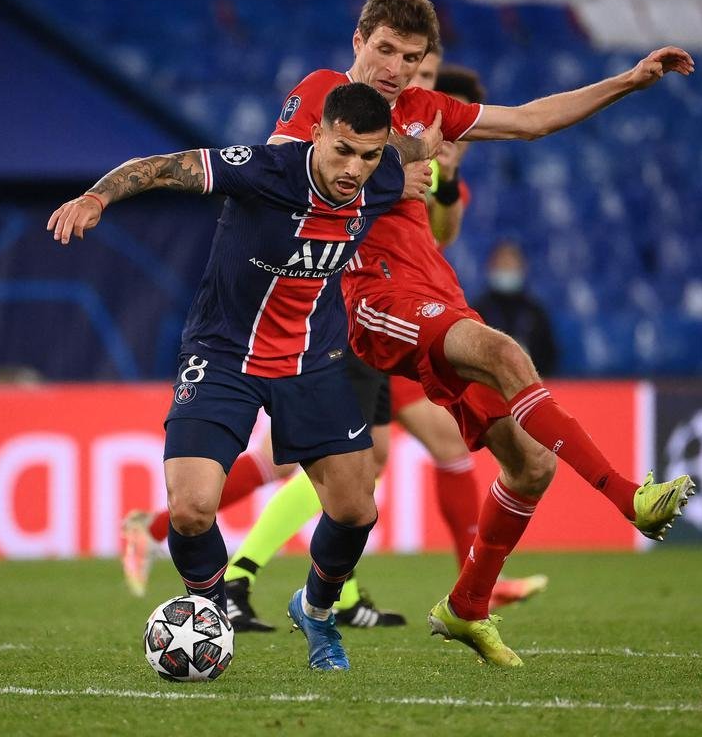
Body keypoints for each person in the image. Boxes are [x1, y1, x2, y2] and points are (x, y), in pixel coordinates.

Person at [269, 0, 697, 667]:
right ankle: (628, 496)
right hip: (374, 296)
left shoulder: (424, 110)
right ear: (358, 42)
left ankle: (466, 606)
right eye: (384, 50)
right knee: (498, 353)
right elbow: (280, 181)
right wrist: (395, 170)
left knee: (531, 466)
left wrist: (629, 80)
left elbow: (529, 120)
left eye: (411, 57)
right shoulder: (322, 95)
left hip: (439, 295)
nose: (396, 68)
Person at [48, 82, 439, 671]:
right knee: (190, 509)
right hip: (224, 352)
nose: (354, 169)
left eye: (368, 155)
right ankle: (208, 613)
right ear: (317, 134)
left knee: (357, 509)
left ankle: (317, 611)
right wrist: (97, 199)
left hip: (314, 359)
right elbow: (157, 168)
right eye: (342, 150)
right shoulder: (264, 169)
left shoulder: (383, 170)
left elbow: (415, 148)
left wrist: (427, 146)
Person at [216, 59, 546, 634]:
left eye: (424, 69)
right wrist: (393, 163)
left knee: (370, 459)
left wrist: (439, 175)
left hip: (398, 309)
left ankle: (332, 591)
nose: (411, 80)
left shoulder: (431, 163)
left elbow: (441, 232)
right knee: (325, 459)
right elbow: (299, 180)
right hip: (350, 307)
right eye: (412, 67)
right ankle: (242, 570)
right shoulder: (355, 131)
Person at [473, 240, 560, 376]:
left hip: (533, 383)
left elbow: (549, 355)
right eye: (502, 265)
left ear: (523, 268)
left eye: (510, 265)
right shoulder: (478, 309)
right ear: (491, 267)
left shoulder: (535, 311)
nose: (506, 269)